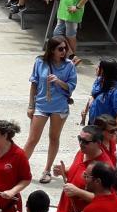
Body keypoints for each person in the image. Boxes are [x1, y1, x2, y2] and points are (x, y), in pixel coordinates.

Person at [24, 36, 78, 184]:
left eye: (65, 48)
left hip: (59, 106)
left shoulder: (69, 66)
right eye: (60, 49)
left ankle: (47, 170)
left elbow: (71, 86)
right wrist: (31, 105)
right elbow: (34, 84)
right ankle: (19, 167)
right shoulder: (40, 62)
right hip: (41, 104)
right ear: (52, 50)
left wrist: (59, 81)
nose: (64, 51)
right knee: (32, 139)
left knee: (54, 138)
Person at [53, 125, 114, 212]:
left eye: (85, 141)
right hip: (68, 211)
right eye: (79, 139)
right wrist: (63, 171)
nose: (81, 144)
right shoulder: (82, 152)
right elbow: (76, 169)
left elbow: (106, 199)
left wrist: (78, 192)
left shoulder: (105, 167)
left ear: (98, 143)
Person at [83, 58, 117, 133]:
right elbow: (94, 94)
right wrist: (86, 109)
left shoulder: (116, 92)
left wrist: (116, 134)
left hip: (105, 130)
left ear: (104, 70)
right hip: (93, 124)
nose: (96, 68)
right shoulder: (99, 80)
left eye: (99, 67)